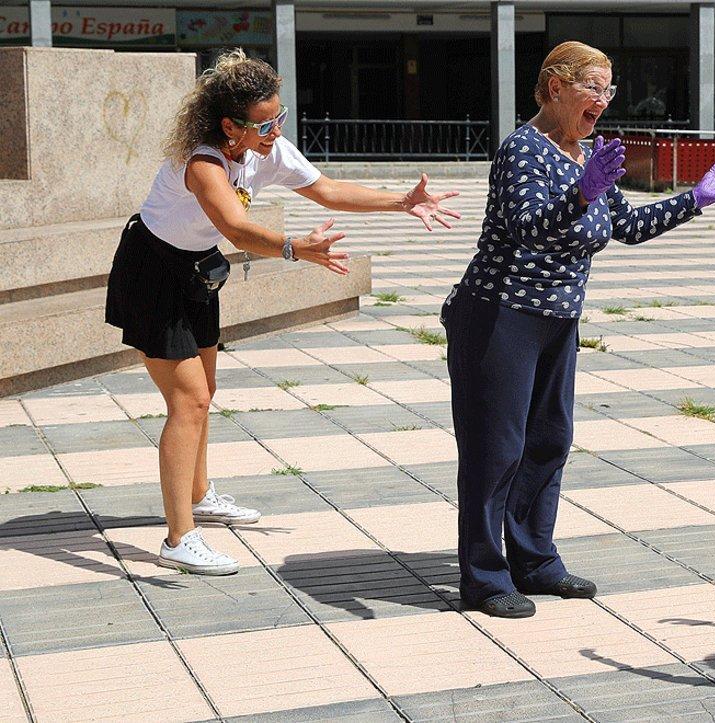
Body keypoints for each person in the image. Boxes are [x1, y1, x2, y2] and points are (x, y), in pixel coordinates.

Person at [105, 48, 460, 576]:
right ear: (230, 125)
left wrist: (401, 201)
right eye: (265, 123)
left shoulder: (263, 149)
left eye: (280, 118)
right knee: (190, 401)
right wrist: (294, 247)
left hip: (194, 269)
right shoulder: (204, 162)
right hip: (151, 272)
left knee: (205, 391)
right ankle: (179, 537)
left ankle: (199, 495)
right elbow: (236, 228)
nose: (275, 130)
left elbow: (327, 190)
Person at [441, 41, 715, 618]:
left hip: (558, 319)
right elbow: (529, 228)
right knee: (495, 451)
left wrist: (695, 199)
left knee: (548, 442)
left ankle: (533, 560)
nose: (603, 100)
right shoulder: (523, 149)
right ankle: (484, 578)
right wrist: (580, 191)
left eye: (608, 89)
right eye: (592, 86)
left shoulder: (585, 153)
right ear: (555, 86)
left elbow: (626, 226)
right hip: (499, 316)